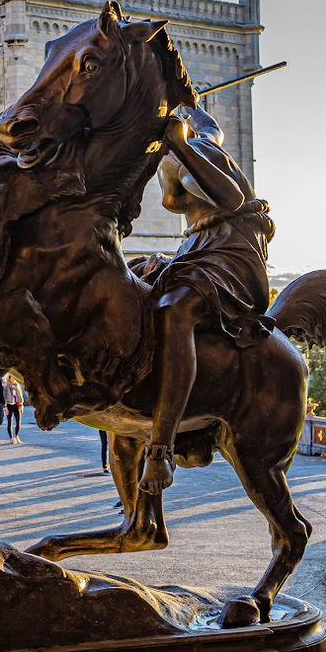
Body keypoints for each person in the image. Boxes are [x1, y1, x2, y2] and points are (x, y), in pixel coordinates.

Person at [137, 104, 275, 495]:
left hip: (232, 259)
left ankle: (159, 448)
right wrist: (186, 111)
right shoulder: (183, 153)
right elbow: (209, 126)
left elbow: (229, 200)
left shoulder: (197, 153)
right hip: (198, 249)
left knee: (174, 309)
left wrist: (181, 145)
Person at [3, 373, 25, 444]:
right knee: (10, 422)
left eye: (14, 377)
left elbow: (21, 396)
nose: (13, 379)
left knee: (18, 422)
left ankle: (16, 436)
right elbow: (4, 398)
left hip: (17, 405)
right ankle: (11, 438)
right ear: (8, 379)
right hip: (9, 406)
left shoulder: (17, 386)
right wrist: (5, 408)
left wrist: (21, 406)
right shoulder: (6, 387)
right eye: (11, 378)